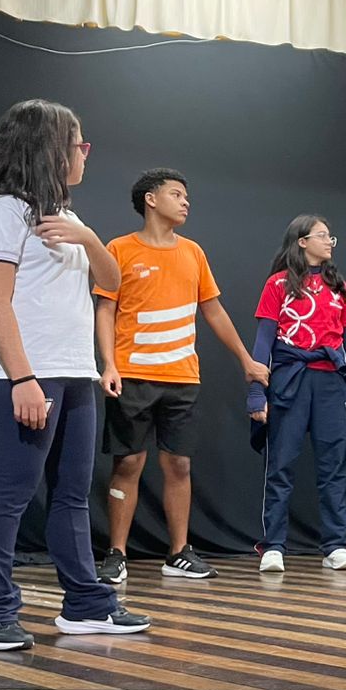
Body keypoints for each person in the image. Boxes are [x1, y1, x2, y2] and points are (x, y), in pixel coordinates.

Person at [0, 100, 150, 650]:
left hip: (74, 373)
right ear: (48, 148)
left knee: (72, 493)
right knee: (12, 491)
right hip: (27, 374)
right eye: (78, 144)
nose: (85, 154)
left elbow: (111, 280)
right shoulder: (0, 212)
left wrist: (87, 239)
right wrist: (22, 379)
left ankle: (86, 604)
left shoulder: (67, 216)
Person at [94, 169, 267, 584]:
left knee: (180, 465)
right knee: (128, 462)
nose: (185, 202)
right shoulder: (118, 249)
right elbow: (105, 309)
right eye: (176, 194)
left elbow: (214, 311)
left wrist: (246, 359)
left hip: (183, 377)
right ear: (151, 200)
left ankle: (179, 553)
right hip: (132, 375)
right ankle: (116, 554)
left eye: (186, 196)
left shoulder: (193, 253)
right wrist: (109, 363)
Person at [247, 215, 346, 573]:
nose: (329, 241)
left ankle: (335, 544)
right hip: (290, 379)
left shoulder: (339, 286)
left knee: (334, 465)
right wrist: (257, 392)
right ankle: (273, 545)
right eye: (322, 235)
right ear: (302, 241)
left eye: (330, 236)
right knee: (281, 463)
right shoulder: (277, 284)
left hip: (331, 382)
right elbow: (263, 341)